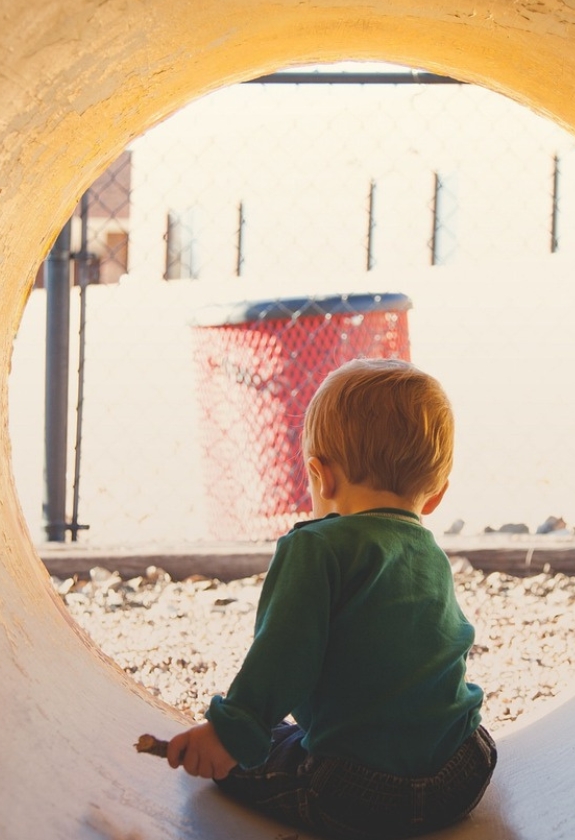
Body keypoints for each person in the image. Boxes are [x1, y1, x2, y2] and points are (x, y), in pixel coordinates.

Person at [167, 358, 496, 839]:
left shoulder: (315, 547)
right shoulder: (428, 551)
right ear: (435, 496)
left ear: (321, 476)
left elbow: (283, 657)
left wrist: (230, 734)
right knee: (306, 736)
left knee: (254, 754)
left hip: (356, 792)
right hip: (463, 771)